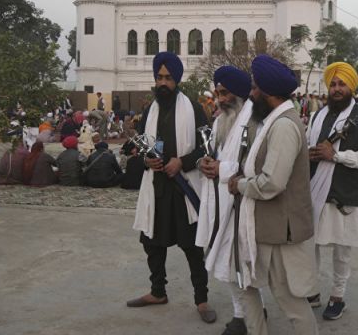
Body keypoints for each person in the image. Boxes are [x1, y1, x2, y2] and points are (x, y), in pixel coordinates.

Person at [227, 55, 317, 335]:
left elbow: (272, 182)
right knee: (245, 284)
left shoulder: (284, 126)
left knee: (289, 300)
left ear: (269, 93)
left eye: (254, 89)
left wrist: (239, 185)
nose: (251, 94)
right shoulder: (271, 121)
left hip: (280, 230)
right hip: (261, 226)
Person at [128, 52, 216, 323]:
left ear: (177, 79)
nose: (162, 82)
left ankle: (201, 300)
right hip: (156, 188)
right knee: (153, 244)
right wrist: (147, 158)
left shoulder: (193, 107)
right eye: (159, 77)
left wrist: (183, 161)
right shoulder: (149, 110)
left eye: (167, 78)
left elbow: (207, 145)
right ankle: (158, 292)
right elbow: (142, 142)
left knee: (191, 247)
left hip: (184, 187)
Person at [305, 62, 358, 320]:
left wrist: (336, 156)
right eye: (333, 84)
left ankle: (337, 295)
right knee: (309, 243)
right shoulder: (318, 116)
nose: (336, 89)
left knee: (342, 249)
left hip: (345, 192)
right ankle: (311, 289)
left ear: (351, 86)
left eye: (341, 84)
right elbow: (308, 144)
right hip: (316, 189)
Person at [196, 65, 254, 335]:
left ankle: (246, 315)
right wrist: (204, 163)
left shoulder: (255, 121)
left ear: (239, 94)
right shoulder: (220, 121)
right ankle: (244, 313)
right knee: (225, 262)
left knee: (239, 263)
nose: (220, 99)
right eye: (218, 93)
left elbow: (256, 165)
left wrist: (223, 169)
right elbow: (215, 154)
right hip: (219, 202)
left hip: (242, 204)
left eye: (225, 93)